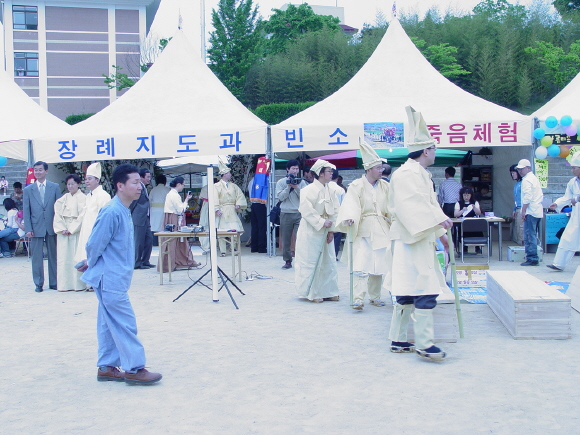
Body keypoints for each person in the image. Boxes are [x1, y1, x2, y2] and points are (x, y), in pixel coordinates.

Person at [78, 163, 162, 385]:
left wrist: (91, 263)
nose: (140, 186)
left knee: (108, 323)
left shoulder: (123, 209)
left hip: (114, 276)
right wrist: (92, 263)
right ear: (120, 185)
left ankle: (106, 366)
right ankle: (134, 368)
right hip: (110, 278)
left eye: (140, 182)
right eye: (134, 182)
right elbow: (94, 244)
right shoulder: (112, 210)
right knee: (125, 322)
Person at [387, 106, 452, 361]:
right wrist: (439, 220)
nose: (435, 153)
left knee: (407, 288)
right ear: (426, 150)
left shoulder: (420, 173)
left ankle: (399, 339)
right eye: (434, 148)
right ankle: (424, 343)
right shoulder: (405, 174)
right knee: (424, 288)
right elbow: (410, 206)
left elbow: (428, 205)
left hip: (419, 237)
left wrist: (440, 228)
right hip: (410, 239)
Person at [337, 140, 391, 310]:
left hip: (382, 227)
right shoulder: (356, 185)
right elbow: (351, 204)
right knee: (361, 263)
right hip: (363, 227)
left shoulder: (386, 186)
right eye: (378, 168)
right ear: (369, 169)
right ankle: (358, 297)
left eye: (382, 168)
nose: (381, 171)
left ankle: (375, 296)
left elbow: (391, 206)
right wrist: (350, 217)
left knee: (379, 264)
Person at [294, 160, 340, 302]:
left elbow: (336, 210)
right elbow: (306, 210)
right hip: (311, 230)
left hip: (326, 229)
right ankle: (312, 292)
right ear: (320, 173)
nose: (331, 174)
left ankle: (329, 290)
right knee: (311, 260)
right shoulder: (307, 190)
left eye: (332, 171)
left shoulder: (331, 190)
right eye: (328, 171)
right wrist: (320, 222)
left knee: (329, 261)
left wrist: (332, 230)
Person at [23, 161, 61, 292]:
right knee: (37, 257)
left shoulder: (54, 187)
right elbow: (26, 210)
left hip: (52, 226)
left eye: (40, 170)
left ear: (46, 171)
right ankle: (38, 283)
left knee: (53, 255)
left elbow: (59, 208)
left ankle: (54, 282)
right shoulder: (28, 189)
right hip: (35, 227)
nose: (38, 172)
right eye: (36, 170)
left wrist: (59, 225)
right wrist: (28, 228)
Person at [547, 152, 580, 271]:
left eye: (574, 168)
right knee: (567, 237)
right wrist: (557, 203)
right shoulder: (572, 182)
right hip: (577, 216)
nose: (572, 170)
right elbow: (567, 197)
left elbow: (575, 198)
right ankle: (559, 264)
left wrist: (576, 199)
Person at [158, 176, 198, 272]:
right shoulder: (175, 195)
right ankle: (172, 263)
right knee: (173, 241)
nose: (183, 187)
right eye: (183, 184)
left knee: (171, 241)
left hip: (170, 217)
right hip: (174, 218)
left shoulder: (170, 193)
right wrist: (187, 200)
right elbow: (181, 210)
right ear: (179, 184)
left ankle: (173, 262)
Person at [53, 174, 86, 291]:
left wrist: (72, 228)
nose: (70, 186)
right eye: (68, 184)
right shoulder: (63, 199)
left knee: (76, 257)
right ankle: (64, 285)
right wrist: (62, 228)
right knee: (63, 259)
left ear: (78, 184)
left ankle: (78, 285)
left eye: (73, 184)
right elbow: (57, 214)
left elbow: (82, 216)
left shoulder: (83, 198)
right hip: (64, 230)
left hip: (76, 231)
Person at [74, 162, 111, 265]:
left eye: (90, 179)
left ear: (97, 180)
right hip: (87, 233)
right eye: (86, 179)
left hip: (96, 234)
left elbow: (105, 219)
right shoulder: (89, 196)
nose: (87, 181)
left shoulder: (103, 196)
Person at [276, 159, 308, 269]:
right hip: (285, 213)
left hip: (299, 213)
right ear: (287, 169)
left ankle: (301, 260)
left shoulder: (302, 182)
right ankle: (287, 260)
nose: (295, 171)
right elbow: (280, 197)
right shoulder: (281, 182)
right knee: (286, 239)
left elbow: (305, 197)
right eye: (293, 168)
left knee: (301, 238)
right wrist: (289, 186)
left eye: (297, 168)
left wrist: (297, 188)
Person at [214, 161, 247, 256]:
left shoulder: (234, 186)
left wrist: (238, 204)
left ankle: (234, 248)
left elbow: (239, 195)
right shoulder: (216, 186)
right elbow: (215, 197)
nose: (230, 174)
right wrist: (216, 209)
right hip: (222, 209)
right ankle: (223, 250)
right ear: (224, 175)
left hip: (232, 209)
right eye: (228, 173)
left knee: (235, 229)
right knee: (221, 231)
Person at [516, 158, 544, 266]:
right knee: (532, 234)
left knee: (529, 235)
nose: (520, 171)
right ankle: (532, 257)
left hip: (530, 211)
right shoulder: (534, 178)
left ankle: (532, 258)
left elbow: (527, 196)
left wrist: (523, 210)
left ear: (528, 168)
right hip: (536, 210)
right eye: (519, 169)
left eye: (522, 169)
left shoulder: (527, 180)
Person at [130, 168, 154, 269]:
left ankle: (145, 261)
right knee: (138, 241)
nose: (149, 179)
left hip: (146, 217)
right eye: (147, 177)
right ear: (141, 177)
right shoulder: (137, 188)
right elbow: (132, 203)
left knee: (149, 239)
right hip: (138, 217)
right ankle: (137, 262)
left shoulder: (144, 187)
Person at [248, 157, 270, 254]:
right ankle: (261, 247)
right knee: (261, 227)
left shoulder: (251, 181)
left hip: (253, 205)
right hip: (261, 205)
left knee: (255, 226)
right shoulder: (263, 181)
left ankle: (254, 247)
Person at [454, 186, 483, 254]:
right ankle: (464, 248)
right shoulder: (458, 203)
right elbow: (456, 215)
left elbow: (479, 213)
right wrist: (462, 210)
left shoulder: (475, 202)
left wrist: (474, 207)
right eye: (464, 195)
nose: (466, 197)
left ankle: (477, 247)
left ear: (471, 195)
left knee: (476, 229)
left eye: (468, 195)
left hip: (473, 223)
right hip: (463, 223)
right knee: (463, 230)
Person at [149, 174, 171, 246]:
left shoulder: (153, 190)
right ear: (165, 182)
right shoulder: (167, 190)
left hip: (154, 211)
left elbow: (149, 201)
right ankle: (163, 244)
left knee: (155, 227)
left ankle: (154, 244)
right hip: (163, 211)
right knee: (162, 227)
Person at [329, 169, 346, 260]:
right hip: (337, 215)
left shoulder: (325, 187)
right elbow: (344, 204)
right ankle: (334, 255)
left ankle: (327, 255)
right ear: (338, 177)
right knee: (336, 236)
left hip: (326, 215)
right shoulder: (340, 190)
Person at [510, 164, 524, 245]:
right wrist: (514, 209)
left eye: (514, 173)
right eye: (511, 173)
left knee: (521, 229)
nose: (512, 175)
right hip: (517, 208)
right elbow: (516, 199)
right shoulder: (516, 184)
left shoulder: (523, 183)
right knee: (518, 229)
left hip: (523, 208)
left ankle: (523, 246)